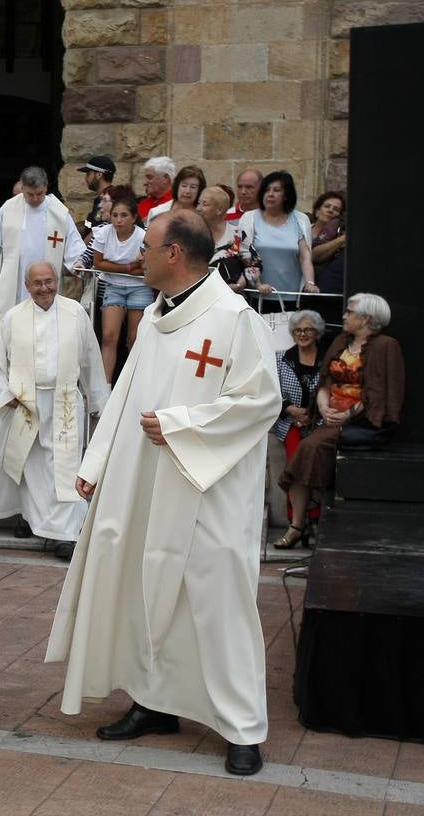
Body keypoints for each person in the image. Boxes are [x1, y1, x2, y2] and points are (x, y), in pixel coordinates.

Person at [46, 209, 282, 778]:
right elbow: (128, 389)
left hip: (208, 490)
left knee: (217, 602)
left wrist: (182, 425)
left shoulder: (234, 319)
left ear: (174, 253)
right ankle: (155, 704)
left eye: (146, 248)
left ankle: (242, 727)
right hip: (146, 481)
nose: (137, 258)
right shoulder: (156, 316)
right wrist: (98, 458)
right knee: (146, 591)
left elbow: (261, 402)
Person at [0, 261, 108, 554]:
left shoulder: (75, 313)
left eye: (49, 281)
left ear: (57, 281)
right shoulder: (13, 318)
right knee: (28, 465)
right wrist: (6, 395)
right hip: (26, 403)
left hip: (65, 401)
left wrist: (99, 403)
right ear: (27, 286)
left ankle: (65, 534)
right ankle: (32, 518)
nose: (44, 288)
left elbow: (90, 358)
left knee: (62, 468)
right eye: (37, 283)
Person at [276, 293, 403, 549]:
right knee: (305, 453)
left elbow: (380, 391)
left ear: (366, 318)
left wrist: (348, 413)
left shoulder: (386, 346)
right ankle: (299, 525)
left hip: (358, 421)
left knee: (308, 450)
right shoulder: (341, 342)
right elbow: (325, 382)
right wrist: (323, 405)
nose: (344, 316)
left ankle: (301, 525)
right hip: (327, 418)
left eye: (350, 312)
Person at [0, 165, 85, 322]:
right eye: (30, 194)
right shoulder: (9, 208)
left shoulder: (59, 213)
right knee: (15, 321)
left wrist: (79, 262)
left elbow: (74, 244)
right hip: (16, 282)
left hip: (45, 283)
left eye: (40, 194)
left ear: (46, 187)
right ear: (22, 187)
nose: (35, 199)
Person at [267, 310, 324, 529]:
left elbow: (331, 389)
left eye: (308, 329)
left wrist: (311, 414)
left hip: (320, 424)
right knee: (295, 468)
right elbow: (271, 391)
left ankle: (317, 517)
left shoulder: (327, 358)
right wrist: (290, 409)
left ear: (317, 332)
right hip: (290, 423)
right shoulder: (280, 359)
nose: (303, 334)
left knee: (317, 469)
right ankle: (296, 521)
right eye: (298, 330)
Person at [88, 193, 149, 382]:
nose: (118, 220)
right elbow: (98, 263)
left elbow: (145, 269)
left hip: (139, 287)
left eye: (124, 215)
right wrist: (128, 267)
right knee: (108, 336)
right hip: (113, 285)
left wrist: (121, 268)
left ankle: (133, 384)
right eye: (115, 215)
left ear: (134, 218)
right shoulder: (104, 233)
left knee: (134, 339)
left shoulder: (142, 236)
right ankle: (105, 386)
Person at [238, 170, 318, 302]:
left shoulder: (300, 220)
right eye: (267, 190)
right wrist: (255, 284)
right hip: (257, 295)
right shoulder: (249, 218)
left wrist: (310, 283)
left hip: (290, 296)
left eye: (276, 190)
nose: (270, 194)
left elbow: (305, 256)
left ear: (286, 195)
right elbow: (245, 255)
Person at [199, 185, 244, 291]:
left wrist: (239, 285)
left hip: (231, 297)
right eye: (198, 203)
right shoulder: (193, 235)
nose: (199, 208)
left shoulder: (236, 235)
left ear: (219, 210)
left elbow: (251, 264)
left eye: (204, 204)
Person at [309, 190, 346, 295]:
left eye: (336, 209)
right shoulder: (302, 228)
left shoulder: (339, 238)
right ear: (317, 211)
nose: (331, 210)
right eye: (327, 206)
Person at [77, 155, 117, 235]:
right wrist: (80, 226)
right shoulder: (101, 198)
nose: (85, 178)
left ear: (99, 175)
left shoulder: (108, 199)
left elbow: (98, 229)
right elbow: (92, 224)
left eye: (88, 174)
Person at [137, 156, 175, 221]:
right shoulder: (143, 205)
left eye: (150, 177)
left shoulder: (177, 204)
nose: (145, 183)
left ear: (165, 178)